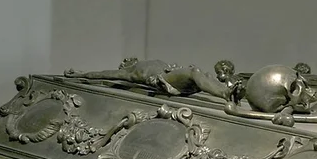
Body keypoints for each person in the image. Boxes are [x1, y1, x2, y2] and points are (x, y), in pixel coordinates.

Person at [64, 58, 232, 100]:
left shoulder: (147, 63)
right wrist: (81, 74)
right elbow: (104, 74)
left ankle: (229, 90)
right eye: (125, 62)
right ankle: (225, 93)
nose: (128, 60)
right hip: (165, 80)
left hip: (173, 76)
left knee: (204, 75)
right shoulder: (130, 72)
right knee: (194, 72)